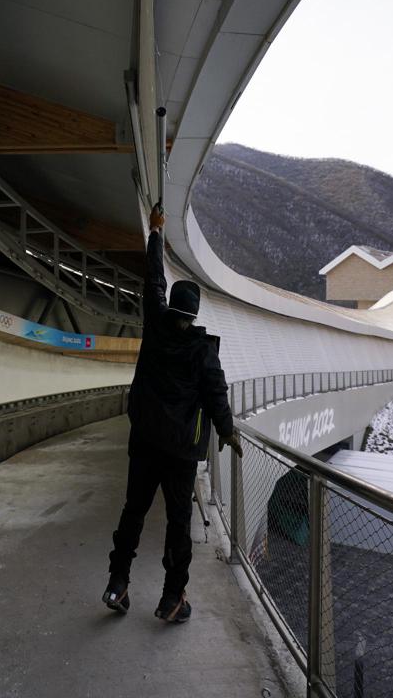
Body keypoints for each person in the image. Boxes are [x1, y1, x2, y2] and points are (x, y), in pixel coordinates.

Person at [102, 203, 241, 624]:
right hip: (180, 452)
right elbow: (216, 395)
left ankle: (117, 582)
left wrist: (156, 233)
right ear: (194, 314)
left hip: (145, 440)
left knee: (133, 510)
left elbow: (153, 281)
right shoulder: (202, 351)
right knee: (178, 523)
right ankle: (172, 598)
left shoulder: (154, 327)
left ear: (172, 307)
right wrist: (228, 431)